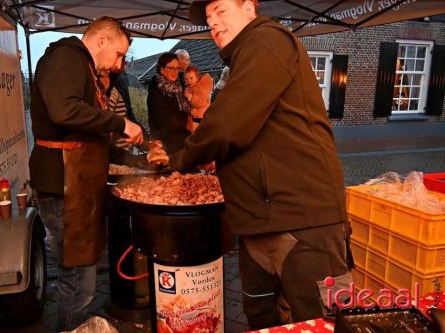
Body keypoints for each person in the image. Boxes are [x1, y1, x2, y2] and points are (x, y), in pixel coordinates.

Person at [170, 0, 352, 329]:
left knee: (321, 323)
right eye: (209, 18)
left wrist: (181, 160)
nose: (213, 23)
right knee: (263, 320)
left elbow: (226, 125)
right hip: (256, 222)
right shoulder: (238, 61)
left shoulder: (268, 40)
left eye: (221, 11)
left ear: (249, 8)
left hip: (301, 220)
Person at [29, 17, 143, 331]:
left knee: (80, 273)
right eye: (119, 54)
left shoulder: (84, 67)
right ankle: (71, 327)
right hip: (63, 184)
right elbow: (64, 110)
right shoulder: (66, 57)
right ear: (102, 40)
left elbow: (87, 124)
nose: (119, 64)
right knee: (78, 277)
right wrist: (120, 123)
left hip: (75, 184)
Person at [147, 52, 191, 155]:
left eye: (177, 68)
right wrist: (188, 124)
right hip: (166, 149)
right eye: (171, 68)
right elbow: (165, 123)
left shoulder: (180, 89)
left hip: (183, 145)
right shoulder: (155, 92)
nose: (175, 72)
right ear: (162, 69)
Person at [184, 65, 213, 133]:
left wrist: (190, 97)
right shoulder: (190, 88)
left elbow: (201, 102)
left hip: (201, 117)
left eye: (191, 78)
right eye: (186, 79)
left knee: (200, 134)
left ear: (197, 78)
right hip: (194, 117)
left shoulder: (201, 88)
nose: (188, 81)